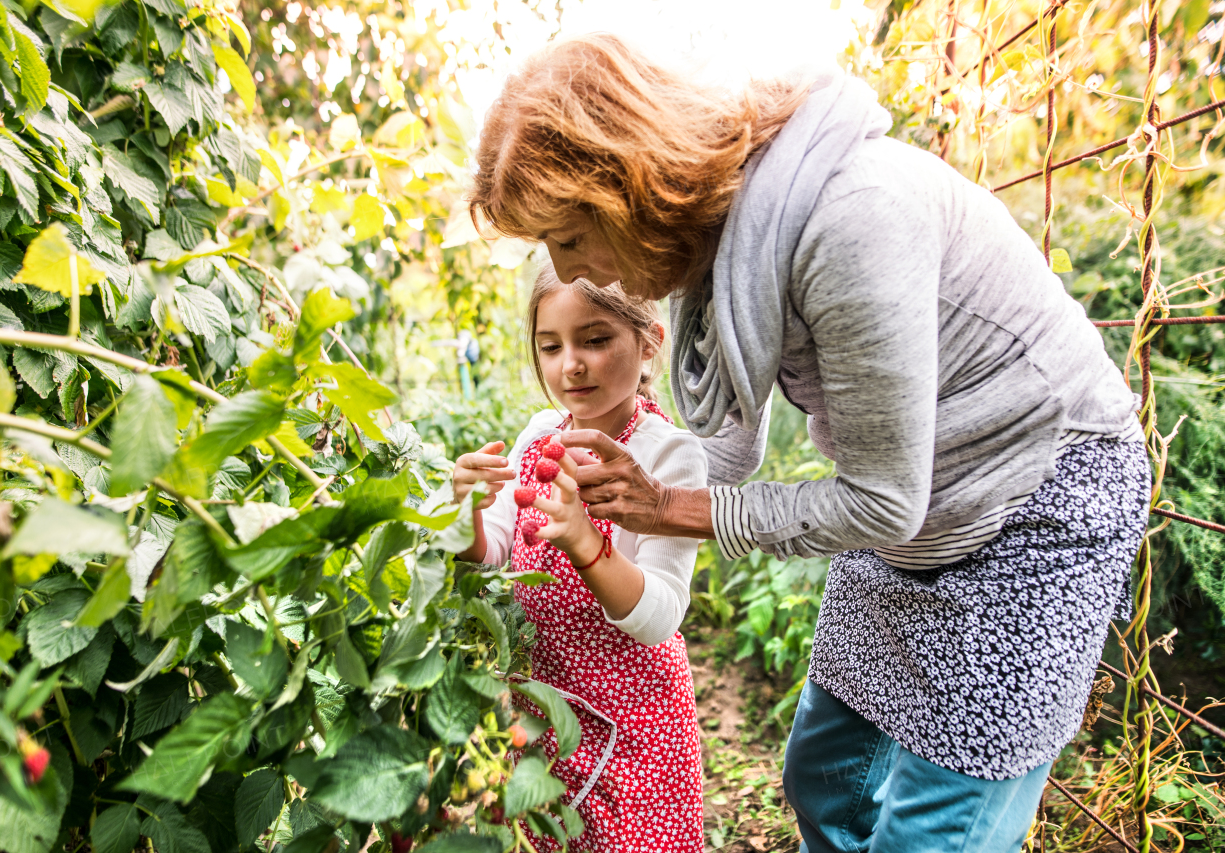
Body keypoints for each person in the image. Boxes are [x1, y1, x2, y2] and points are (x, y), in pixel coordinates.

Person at [468, 34, 1149, 853]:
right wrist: (633, 489)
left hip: (1036, 503)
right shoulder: (722, 240)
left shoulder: (850, 220)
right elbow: (727, 451)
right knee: (825, 773)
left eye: (570, 236)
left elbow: (881, 499)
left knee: (930, 832)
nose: (569, 268)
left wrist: (671, 506)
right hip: (911, 499)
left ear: (625, 187)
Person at [451, 265, 708, 852]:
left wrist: (588, 546)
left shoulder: (668, 456)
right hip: (542, 708)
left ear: (648, 345)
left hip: (636, 725)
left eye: (594, 340)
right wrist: (463, 512)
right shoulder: (540, 435)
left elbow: (661, 615)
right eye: (551, 346)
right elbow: (491, 557)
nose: (571, 363)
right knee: (547, 835)